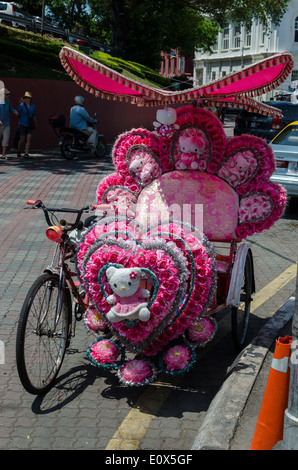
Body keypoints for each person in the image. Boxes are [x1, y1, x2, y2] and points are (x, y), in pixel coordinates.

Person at [17, 91, 37, 159]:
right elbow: (18, 114)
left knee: (29, 138)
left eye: (28, 98)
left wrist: (35, 123)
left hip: (30, 124)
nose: (27, 99)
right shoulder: (21, 105)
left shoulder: (33, 106)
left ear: (30, 99)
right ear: (24, 98)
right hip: (22, 123)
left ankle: (26, 153)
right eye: (26, 98)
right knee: (22, 139)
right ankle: (19, 150)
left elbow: (34, 115)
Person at [0, 88, 18, 159]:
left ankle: (3, 154)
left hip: (7, 123)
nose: (8, 95)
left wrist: (14, 111)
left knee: (6, 139)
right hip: (0, 124)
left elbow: (11, 109)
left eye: (8, 94)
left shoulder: (8, 101)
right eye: (7, 94)